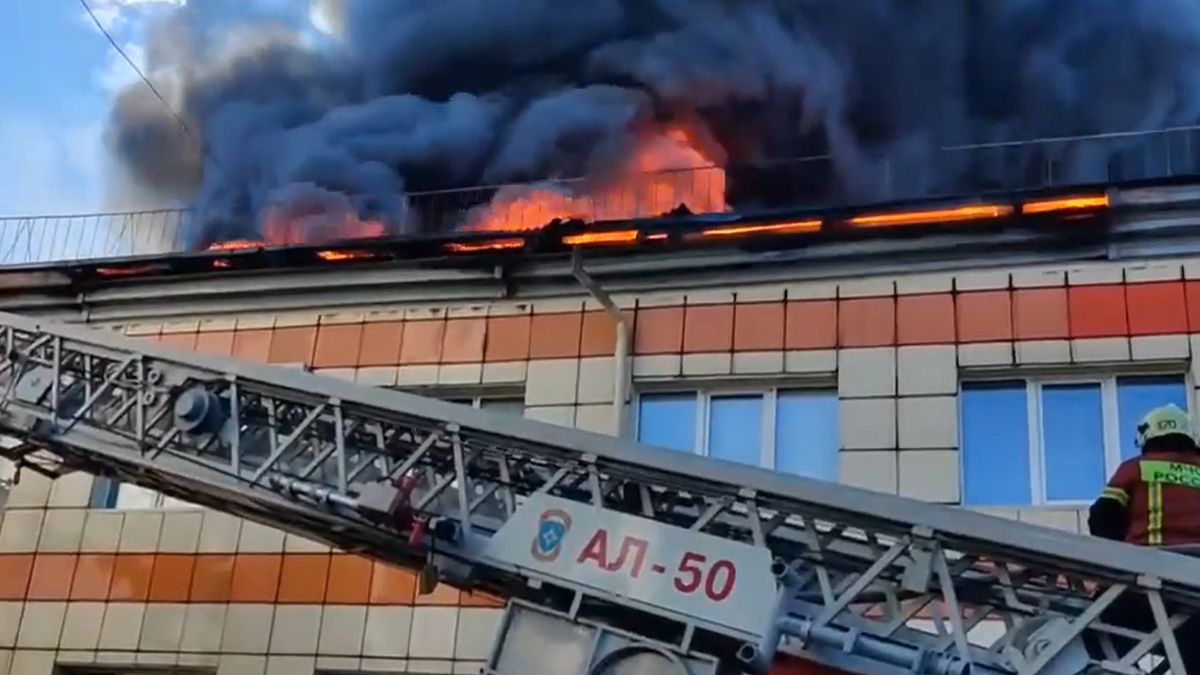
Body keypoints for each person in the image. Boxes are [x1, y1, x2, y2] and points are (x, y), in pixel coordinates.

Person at [1088, 404, 1200, 673]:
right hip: (1196, 588)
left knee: (1095, 636)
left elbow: (1102, 517)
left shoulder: (1135, 468)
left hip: (1144, 583)